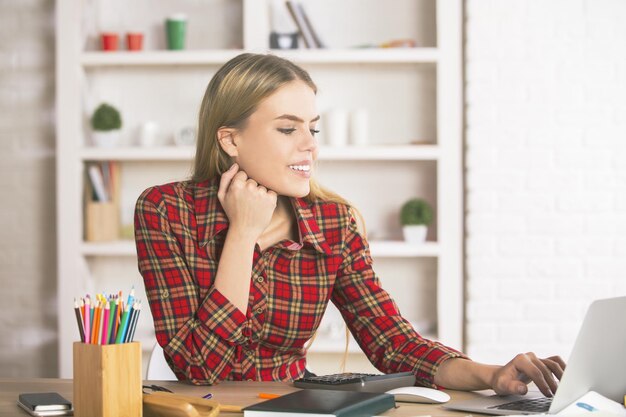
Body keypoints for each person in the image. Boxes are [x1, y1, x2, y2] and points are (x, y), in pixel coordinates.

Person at [134, 53, 565, 394]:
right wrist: (243, 232)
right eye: (288, 129)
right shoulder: (165, 211)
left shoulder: (333, 223)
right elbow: (198, 366)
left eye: (313, 130)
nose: (310, 147)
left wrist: (490, 375)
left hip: (290, 408)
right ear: (230, 139)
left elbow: (392, 342)